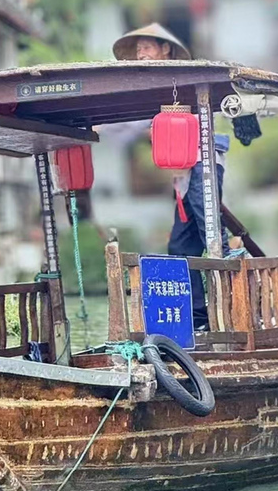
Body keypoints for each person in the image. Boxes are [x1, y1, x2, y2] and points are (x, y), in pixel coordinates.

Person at [113, 23, 230, 331]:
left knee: (213, 237)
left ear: (165, 48)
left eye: (147, 48)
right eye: (138, 50)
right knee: (180, 248)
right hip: (182, 175)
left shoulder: (188, 78)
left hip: (203, 164)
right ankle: (200, 318)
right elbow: (135, 126)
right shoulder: (150, 89)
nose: (141, 55)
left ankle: (228, 313)